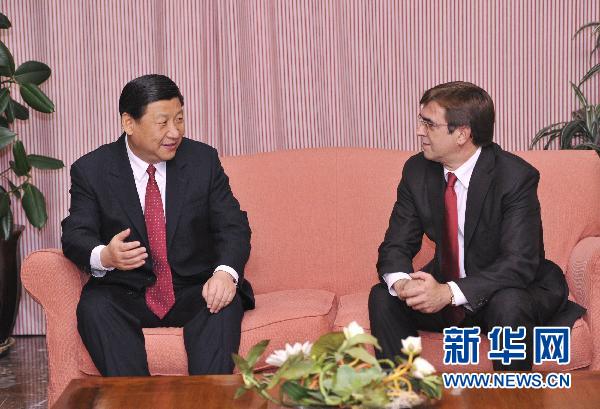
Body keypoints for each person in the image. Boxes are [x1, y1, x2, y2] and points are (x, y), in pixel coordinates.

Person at [368, 81, 585, 370]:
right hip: (447, 294)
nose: (420, 131)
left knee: (509, 304)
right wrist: (404, 284)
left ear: (462, 134)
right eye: (421, 122)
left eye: (429, 124)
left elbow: (519, 262)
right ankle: (401, 388)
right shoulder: (416, 170)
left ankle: (512, 393)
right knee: (383, 296)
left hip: (504, 291)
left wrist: (448, 292)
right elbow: (396, 245)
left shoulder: (515, 177)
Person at [62, 74, 253, 376]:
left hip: (195, 288)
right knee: (95, 308)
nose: (174, 132)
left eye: (179, 119)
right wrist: (105, 256)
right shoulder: (92, 169)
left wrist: (224, 273)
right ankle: (134, 397)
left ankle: (210, 398)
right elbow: (75, 233)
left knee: (222, 304)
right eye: (162, 123)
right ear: (129, 123)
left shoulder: (202, 160)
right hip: (126, 290)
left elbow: (233, 226)